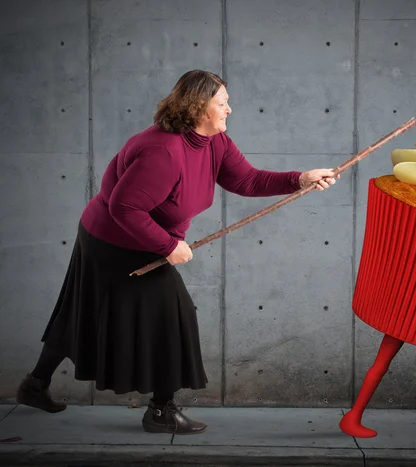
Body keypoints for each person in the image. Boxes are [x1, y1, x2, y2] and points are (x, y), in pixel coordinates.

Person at [16, 70, 340, 435]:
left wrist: (300, 179)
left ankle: (34, 385)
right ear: (199, 106)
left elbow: (246, 180)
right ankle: (161, 411)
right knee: (175, 313)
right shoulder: (164, 151)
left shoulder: (214, 142)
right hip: (113, 240)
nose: (229, 109)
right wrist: (169, 246)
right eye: (222, 103)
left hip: (135, 236)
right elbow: (124, 208)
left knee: (83, 311)